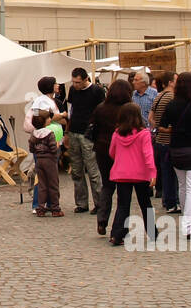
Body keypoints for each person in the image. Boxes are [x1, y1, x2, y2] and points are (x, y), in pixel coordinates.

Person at [162, 72, 191, 236]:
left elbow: (162, 126)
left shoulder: (171, 105)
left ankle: (186, 218)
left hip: (176, 149)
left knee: (182, 185)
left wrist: (174, 129)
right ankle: (188, 224)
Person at [108, 103, 156, 246]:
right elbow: (148, 154)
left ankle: (117, 234)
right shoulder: (144, 133)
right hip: (141, 173)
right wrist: (153, 172)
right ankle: (153, 233)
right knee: (145, 203)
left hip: (121, 173)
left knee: (122, 205)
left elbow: (112, 152)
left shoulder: (116, 133)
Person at [89, 79, 132, 236]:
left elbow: (93, 127)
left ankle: (102, 219)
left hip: (102, 149)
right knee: (122, 188)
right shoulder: (128, 110)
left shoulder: (101, 108)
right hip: (123, 151)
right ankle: (120, 223)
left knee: (107, 185)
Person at [65, 67, 105, 213]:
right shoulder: (73, 90)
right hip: (74, 131)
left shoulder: (97, 91)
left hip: (88, 133)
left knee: (93, 170)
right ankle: (81, 203)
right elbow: (71, 111)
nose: (75, 85)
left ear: (85, 79)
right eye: (74, 82)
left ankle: (99, 203)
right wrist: (67, 132)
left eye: (78, 82)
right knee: (76, 169)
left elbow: (101, 111)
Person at [149, 71, 178, 211]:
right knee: (173, 173)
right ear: (170, 82)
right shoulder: (172, 97)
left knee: (165, 172)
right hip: (169, 140)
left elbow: (150, 118)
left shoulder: (158, 96)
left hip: (159, 139)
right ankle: (172, 201)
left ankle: (167, 201)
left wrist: (158, 128)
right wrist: (168, 129)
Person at [28, 110, 63, 217]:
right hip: (50, 161)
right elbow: (53, 149)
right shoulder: (50, 134)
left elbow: (31, 149)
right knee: (53, 184)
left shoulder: (34, 134)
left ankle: (40, 208)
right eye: (48, 118)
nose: (49, 120)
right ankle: (55, 208)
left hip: (39, 161)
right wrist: (57, 146)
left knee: (42, 185)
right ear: (44, 122)